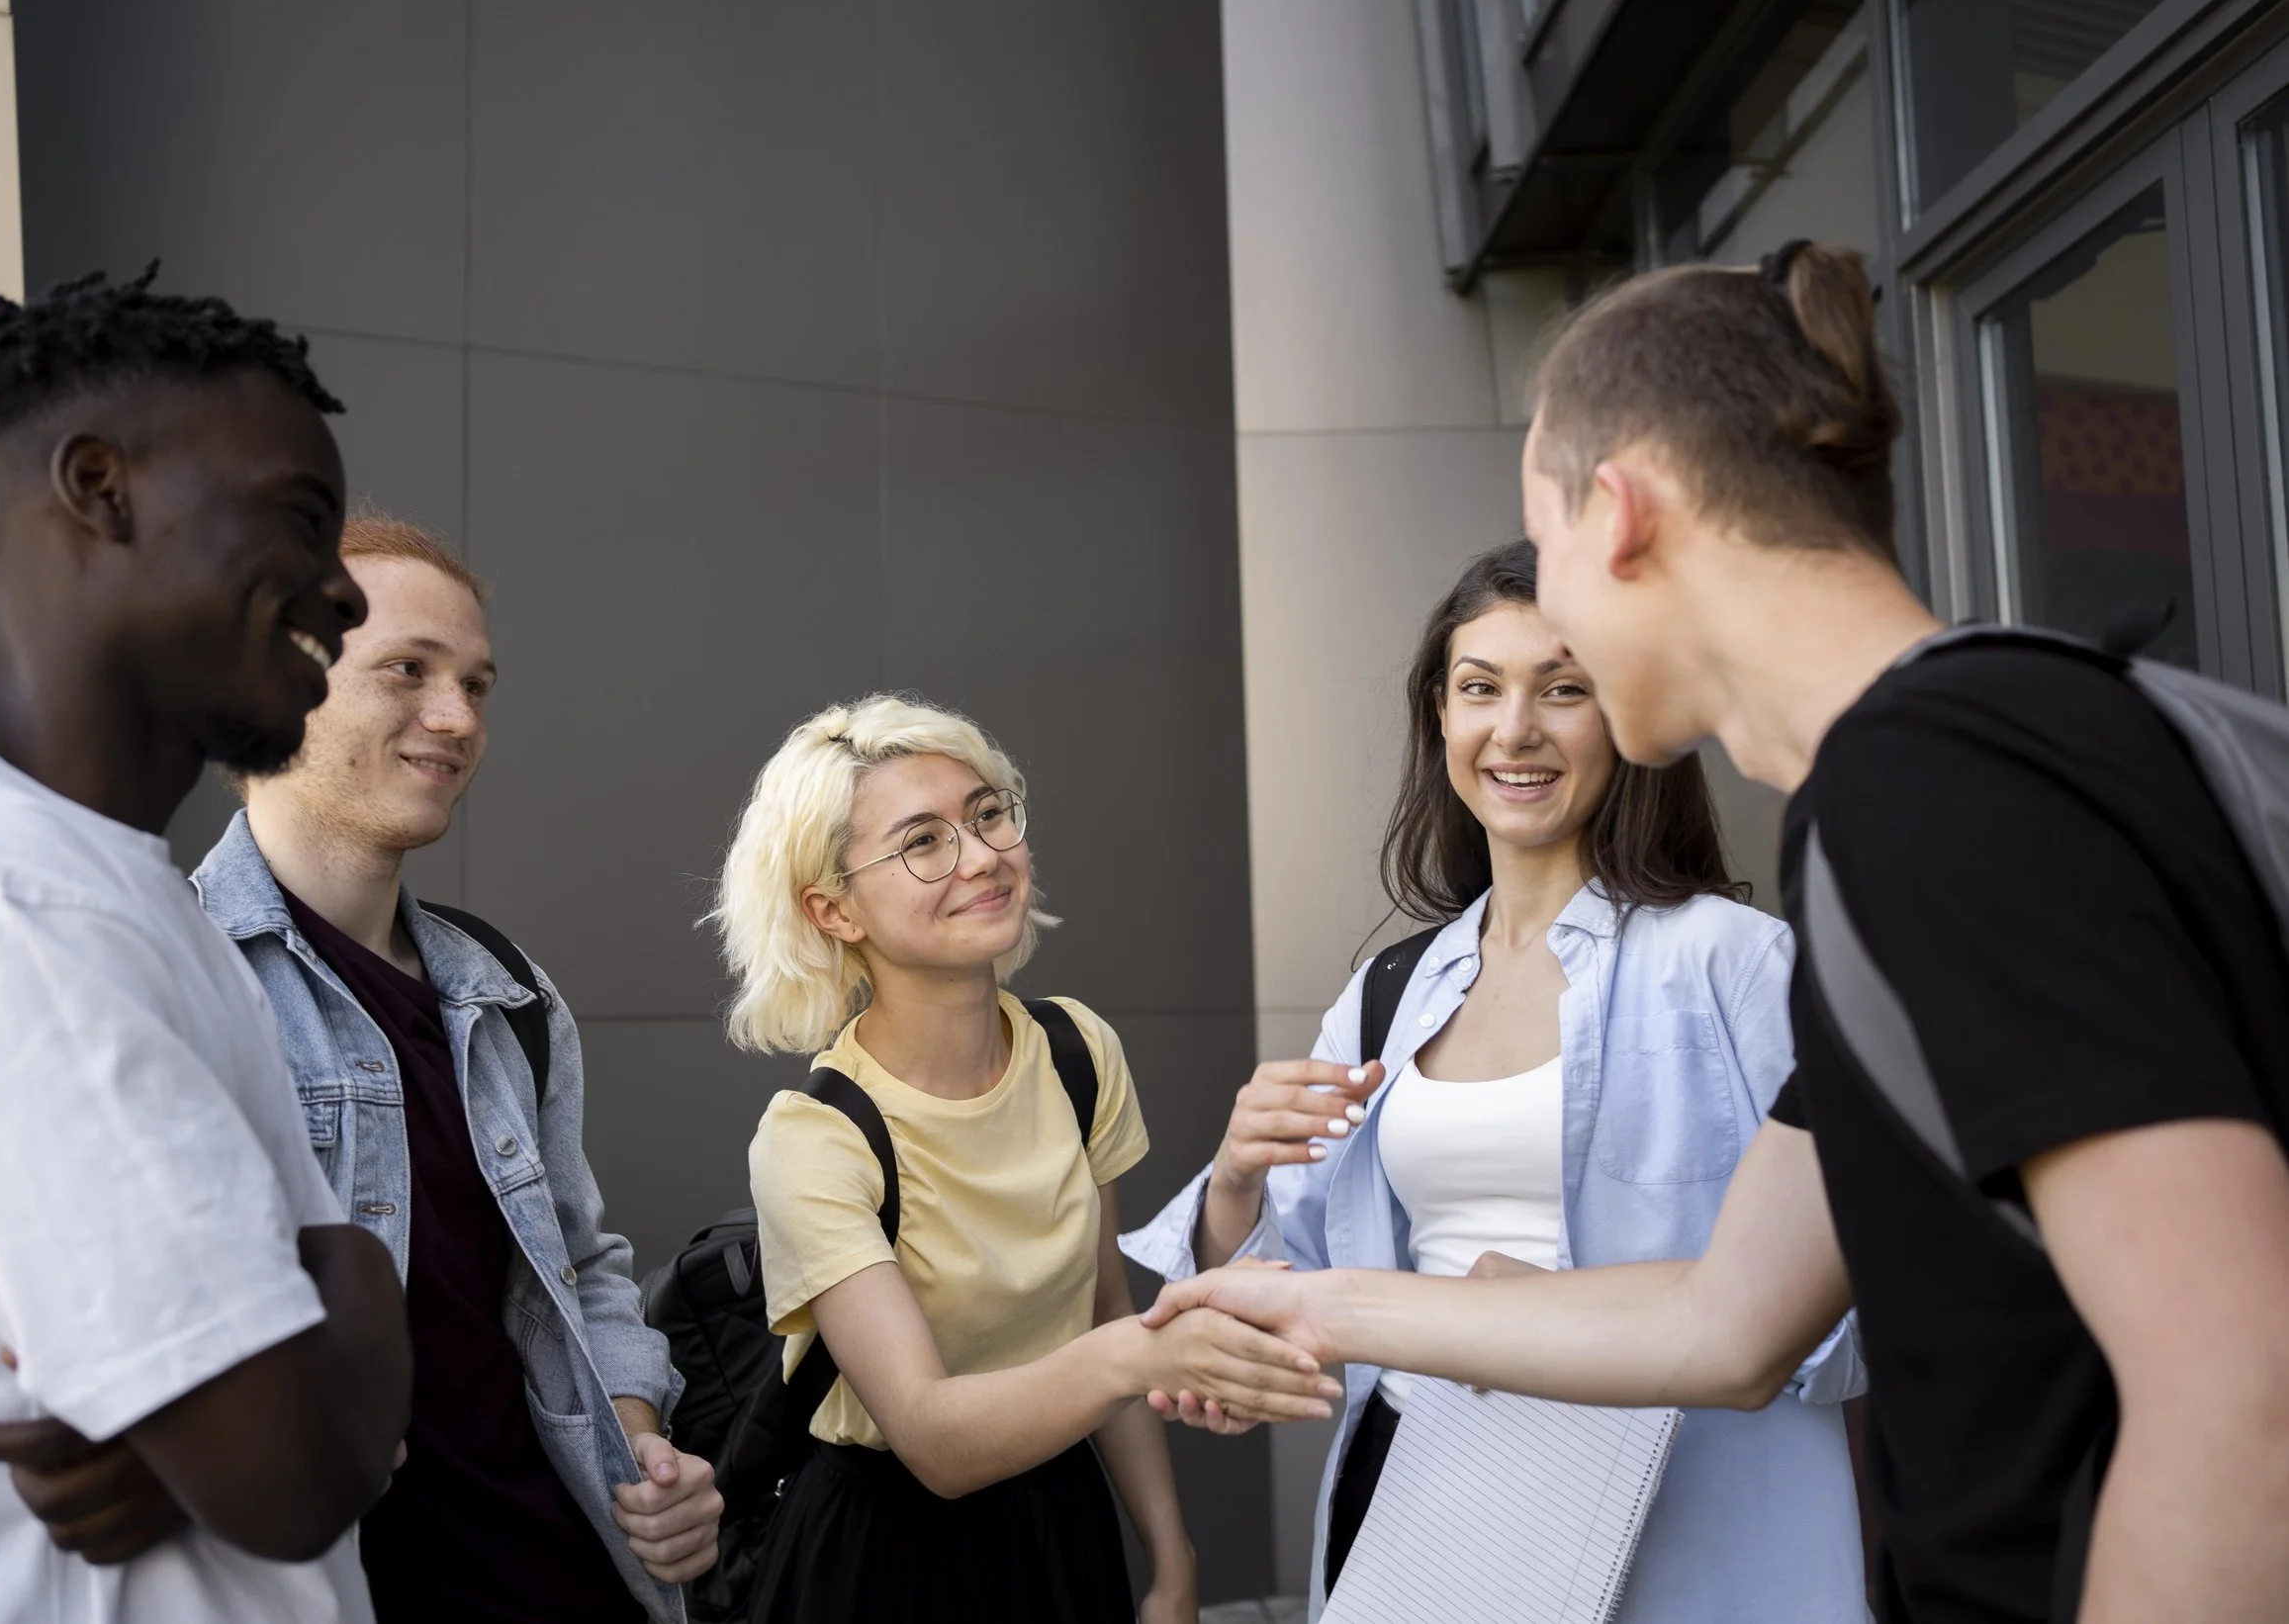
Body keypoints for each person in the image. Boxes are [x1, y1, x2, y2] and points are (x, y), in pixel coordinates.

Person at [1143, 242, 2289, 1624]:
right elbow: (1730, 1322)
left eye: (1549, 553)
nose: (1530, 675)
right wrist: (1321, 1307)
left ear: (1618, 515)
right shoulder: (1925, 783)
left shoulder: (1938, 783)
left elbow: (2245, 1391)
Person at [0, 268, 412, 1622]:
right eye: (302, 518)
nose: (345, 591)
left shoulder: (106, 893)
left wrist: (312, 1329)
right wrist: (336, 1319)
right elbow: (295, 1470)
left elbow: (317, 1348)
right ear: (101, 486)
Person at [1124, 539, 1865, 1622]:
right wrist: (1235, 1180)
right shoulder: (1388, 989)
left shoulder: (1729, 961)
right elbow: (1307, 1286)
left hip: (1691, 1528)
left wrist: (1590, 1314)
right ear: (1439, 713)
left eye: (1564, 688)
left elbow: (1858, 1298)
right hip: (1434, 1516)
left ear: (1626, 712)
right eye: (1479, 688)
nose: (1514, 729)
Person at [181, 509, 722, 1620]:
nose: (455, 716)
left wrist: (641, 1444)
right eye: (406, 670)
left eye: (476, 683)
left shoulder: (506, 991)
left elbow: (583, 1263)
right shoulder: (170, 986)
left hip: (575, 1579)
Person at [711, 696, 1339, 1624]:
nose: (980, 857)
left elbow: (1105, 1310)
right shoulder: (817, 1135)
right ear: (833, 909)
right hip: (881, 1555)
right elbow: (933, 1437)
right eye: (922, 841)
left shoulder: (1077, 1051)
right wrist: (1143, 1352)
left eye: (987, 813)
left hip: (1059, 1525)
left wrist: (1172, 1560)